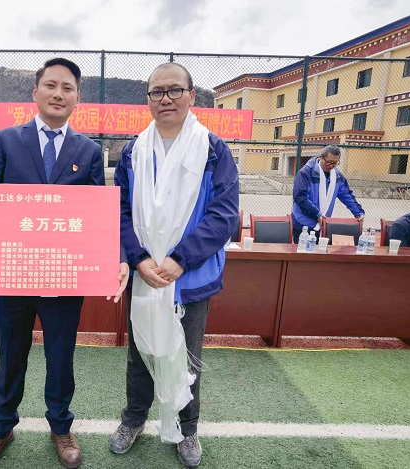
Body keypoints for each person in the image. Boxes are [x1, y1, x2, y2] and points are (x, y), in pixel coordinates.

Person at [0, 58, 129, 469]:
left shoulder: (88, 151)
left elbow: (99, 216)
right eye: (51, 85)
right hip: (14, 271)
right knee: (10, 354)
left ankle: (61, 427)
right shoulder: (5, 141)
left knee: (61, 356)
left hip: (63, 274)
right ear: (35, 92)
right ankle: (0, 428)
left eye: (67, 88)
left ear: (77, 98)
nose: (59, 94)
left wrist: (117, 258)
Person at [111, 63, 239, 468]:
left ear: (191, 96)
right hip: (145, 275)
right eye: (157, 92)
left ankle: (188, 428)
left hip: (190, 276)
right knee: (140, 353)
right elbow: (120, 211)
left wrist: (180, 260)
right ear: (148, 99)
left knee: (187, 357)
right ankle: (133, 420)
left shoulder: (213, 149)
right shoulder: (133, 151)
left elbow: (223, 215)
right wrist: (139, 259)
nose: (165, 98)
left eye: (174, 90)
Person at [291, 145, 364, 243]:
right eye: (329, 162)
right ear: (321, 157)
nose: (332, 166)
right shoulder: (305, 173)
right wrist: (317, 214)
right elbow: (300, 198)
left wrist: (358, 212)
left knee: (321, 251)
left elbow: (346, 195)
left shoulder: (337, 176)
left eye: (335, 163)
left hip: (323, 222)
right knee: (303, 251)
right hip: (303, 223)